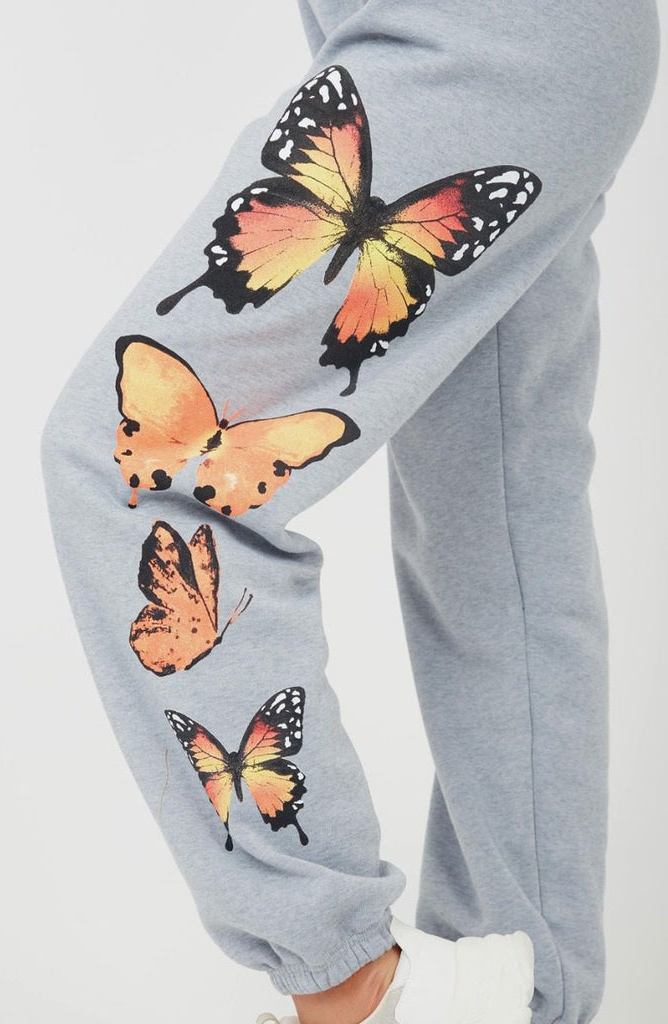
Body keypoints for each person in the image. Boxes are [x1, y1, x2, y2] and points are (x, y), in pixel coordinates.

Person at [39, 1, 660, 1021]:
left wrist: (326, 950)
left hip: (481, 35)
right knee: (501, 537)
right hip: (530, 44)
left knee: (139, 462)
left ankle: (352, 989)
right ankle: (523, 997)